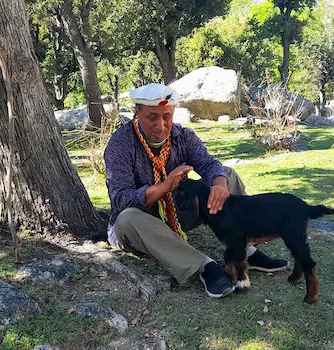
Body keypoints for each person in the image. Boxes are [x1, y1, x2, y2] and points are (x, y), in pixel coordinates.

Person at [103, 83, 288, 298]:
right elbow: (121, 199)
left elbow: (209, 164)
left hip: (178, 212)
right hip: (142, 224)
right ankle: (203, 267)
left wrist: (219, 185)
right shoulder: (120, 144)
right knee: (126, 218)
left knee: (227, 176)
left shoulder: (182, 136)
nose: (161, 125)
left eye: (167, 117)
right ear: (137, 113)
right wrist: (163, 186)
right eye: (152, 117)